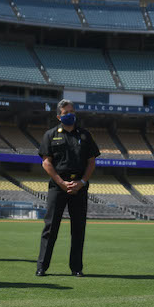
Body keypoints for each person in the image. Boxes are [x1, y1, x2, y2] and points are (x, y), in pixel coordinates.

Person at [36, 99, 100, 277]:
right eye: (66, 113)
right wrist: (61, 183)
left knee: (78, 228)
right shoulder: (50, 135)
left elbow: (91, 162)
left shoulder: (85, 135)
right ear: (59, 116)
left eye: (72, 111)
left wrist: (82, 182)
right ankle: (42, 267)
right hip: (58, 187)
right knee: (50, 228)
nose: (70, 115)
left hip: (79, 187)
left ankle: (76, 268)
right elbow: (46, 162)